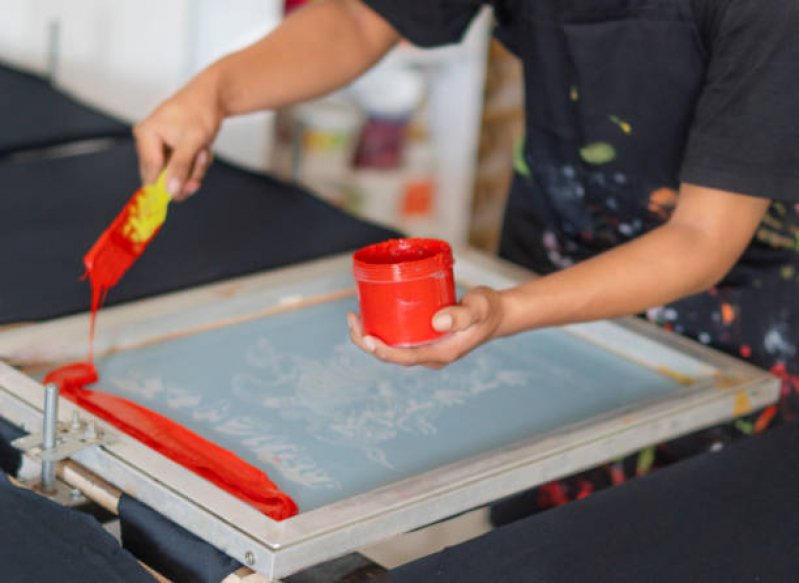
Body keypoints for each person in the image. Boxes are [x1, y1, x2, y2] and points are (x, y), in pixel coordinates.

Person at [135, 0, 799, 467]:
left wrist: (507, 310)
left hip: (729, 326)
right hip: (547, 276)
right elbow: (363, 18)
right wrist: (217, 91)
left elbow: (702, 239)